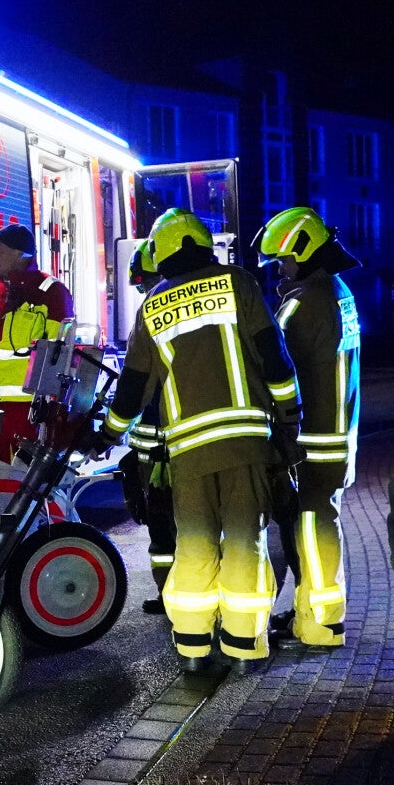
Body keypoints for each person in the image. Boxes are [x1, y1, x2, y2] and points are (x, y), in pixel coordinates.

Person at [100, 209, 301, 672]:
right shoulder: (241, 284)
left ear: (163, 252)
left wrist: (108, 433)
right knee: (245, 543)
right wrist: (289, 420)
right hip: (247, 445)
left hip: (188, 454)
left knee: (193, 544)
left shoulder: (152, 305)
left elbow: (133, 386)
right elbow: (275, 358)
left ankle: (191, 647)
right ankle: (243, 644)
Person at [257, 207, 362, 649]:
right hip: (339, 436)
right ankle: (313, 614)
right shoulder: (338, 292)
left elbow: (271, 366)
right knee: (322, 524)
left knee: (313, 529)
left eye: (282, 261)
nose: (280, 271)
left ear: (301, 251)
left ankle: (321, 623)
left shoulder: (302, 303)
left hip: (313, 441)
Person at [0, 224, 75, 461]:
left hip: (29, 411)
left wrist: (52, 413)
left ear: (21, 254)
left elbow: (58, 356)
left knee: (22, 481)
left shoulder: (52, 293)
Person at [117, 240, 174, 615]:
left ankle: (171, 594)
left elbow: (138, 384)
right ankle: (173, 593)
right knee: (174, 527)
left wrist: (109, 430)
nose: (143, 293)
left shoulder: (155, 312)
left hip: (160, 454)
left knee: (163, 527)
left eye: (144, 283)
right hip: (170, 448)